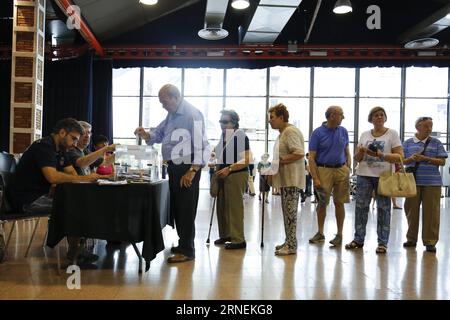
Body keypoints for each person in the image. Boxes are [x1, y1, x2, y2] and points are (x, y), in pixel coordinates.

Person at [9, 118, 104, 264]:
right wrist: (86, 178)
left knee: (80, 203)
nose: (74, 143)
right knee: (75, 206)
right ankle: (75, 252)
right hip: (25, 199)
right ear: (62, 132)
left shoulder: (61, 149)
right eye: (73, 139)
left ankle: (77, 248)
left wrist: (85, 179)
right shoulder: (44, 147)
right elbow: (52, 177)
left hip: (41, 195)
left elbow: (72, 175)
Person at [134, 84, 209, 263]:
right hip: (175, 167)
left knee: (186, 209)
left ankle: (187, 251)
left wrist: (192, 171)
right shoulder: (172, 114)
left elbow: (202, 146)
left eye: (164, 102)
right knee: (178, 208)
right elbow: (158, 134)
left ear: (175, 97)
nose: (163, 106)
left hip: (187, 167)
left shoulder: (192, 114)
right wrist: (145, 134)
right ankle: (184, 244)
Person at [345, 106, 403, 254]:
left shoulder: (392, 134)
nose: (379, 117)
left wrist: (380, 155)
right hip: (364, 174)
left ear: (385, 118)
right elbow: (357, 158)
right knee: (360, 207)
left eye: (381, 115)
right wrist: (362, 151)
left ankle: (382, 243)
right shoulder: (364, 135)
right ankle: (358, 239)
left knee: (384, 208)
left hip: (384, 176)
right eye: (376, 115)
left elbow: (399, 156)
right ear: (371, 119)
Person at [308, 106, 351, 247]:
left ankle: (339, 234)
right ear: (332, 116)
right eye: (341, 115)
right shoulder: (317, 133)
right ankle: (320, 232)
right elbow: (312, 158)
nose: (343, 117)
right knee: (322, 203)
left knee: (340, 202)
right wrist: (315, 178)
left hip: (341, 170)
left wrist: (348, 167)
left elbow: (347, 152)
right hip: (323, 170)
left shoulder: (343, 131)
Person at [402, 117, 447, 253]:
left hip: (432, 183)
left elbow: (442, 162)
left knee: (432, 213)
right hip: (412, 182)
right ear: (418, 127)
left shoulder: (436, 142)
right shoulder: (408, 143)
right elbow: (402, 161)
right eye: (427, 126)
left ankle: (430, 241)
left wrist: (425, 159)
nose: (429, 129)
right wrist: (411, 159)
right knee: (411, 211)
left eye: (431, 126)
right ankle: (411, 238)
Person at [268, 104, 305, 256]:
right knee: (286, 212)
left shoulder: (290, 132)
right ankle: (289, 240)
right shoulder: (281, 133)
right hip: (285, 179)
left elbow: (299, 153)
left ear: (281, 117)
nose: (269, 121)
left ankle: (292, 245)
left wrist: (279, 160)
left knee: (290, 214)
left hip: (292, 179)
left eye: (272, 118)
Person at [213, 110, 251, 249]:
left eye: (225, 122)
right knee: (222, 207)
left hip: (236, 174)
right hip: (223, 174)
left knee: (234, 207)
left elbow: (247, 159)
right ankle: (226, 235)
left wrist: (230, 168)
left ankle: (238, 239)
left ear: (234, 123)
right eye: (220, 122)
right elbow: (217, 153)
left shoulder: (239, 135)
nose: (221, 125)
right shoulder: (224, 136)